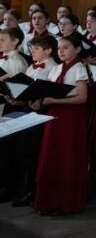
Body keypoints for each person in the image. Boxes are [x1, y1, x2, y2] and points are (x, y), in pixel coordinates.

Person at [33, 34, 90, 215]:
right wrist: (38, 101)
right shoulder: (55, 69)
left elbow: (82, 98)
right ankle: (49, 201)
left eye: (66, 47)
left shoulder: (79, 68)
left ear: (77, 49)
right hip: (54, 117)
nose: (61, 51)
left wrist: (53, 100)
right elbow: (47, 92)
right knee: (52, 156)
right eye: (59, 48)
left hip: (71, 119)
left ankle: (66, 202)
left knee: (67, 157)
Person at [0, 34, 58, 208]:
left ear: (48, 51)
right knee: (12, 149)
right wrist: (15, 98)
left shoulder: (53, 68)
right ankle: (12, 187)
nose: (32, 52)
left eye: (36, 49)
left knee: (29, 153)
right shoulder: (32, 68)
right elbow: (24, 91)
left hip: (41, 115)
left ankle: (30, 191)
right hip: (25, 110)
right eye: (31, 48)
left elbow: (51, 92)